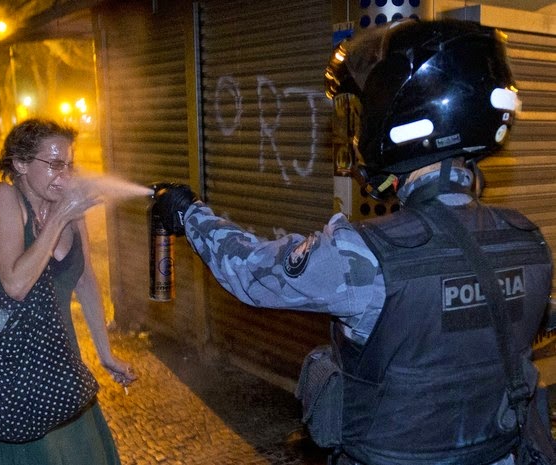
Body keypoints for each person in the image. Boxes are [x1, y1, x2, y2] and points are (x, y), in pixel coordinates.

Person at [152, 19, 554, 465]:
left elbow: (251, 272)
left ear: (400, 117)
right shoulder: (527, 241)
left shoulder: (367, 256)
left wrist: (188, 213)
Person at [0, 118, 136, 464]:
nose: (65, 174)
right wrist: (61, 217)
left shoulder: (68, 209)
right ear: (20, 163)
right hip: (17, 373)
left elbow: (85, 281)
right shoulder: (3, 198)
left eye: (69, 165)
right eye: (55, 164)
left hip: (62, 365)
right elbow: (15, 284)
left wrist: (105, 353)